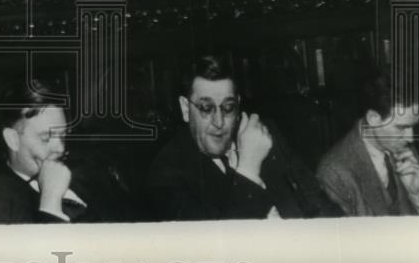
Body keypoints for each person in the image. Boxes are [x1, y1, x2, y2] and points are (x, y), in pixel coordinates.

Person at [145, 55, 340, 221]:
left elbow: (321, 207)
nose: (219, 121)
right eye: (206, 108)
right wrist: (248, 168)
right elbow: (218, 255)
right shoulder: (166, 175)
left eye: (228, 107)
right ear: (186, 109)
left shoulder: (264, 134)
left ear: (238, 105)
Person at [0, 80, 136, 223]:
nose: (60, 148)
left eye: (63, 135)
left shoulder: (89, 168)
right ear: (12, 139)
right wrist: (50, 201)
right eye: (46, 138)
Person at [317, 67, 419, 217]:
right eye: (401, 127)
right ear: (373, 118)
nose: (410, 138)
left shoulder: (404, 149)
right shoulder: (334, 173)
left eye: (412, 126)